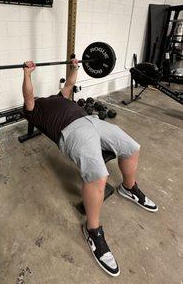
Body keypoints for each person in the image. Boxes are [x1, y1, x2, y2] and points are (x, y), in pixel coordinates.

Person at [22, 58, 158, 277]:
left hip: (92, 121)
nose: (37, 97)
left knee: (132, 147)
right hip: (72, 132)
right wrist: (27, 75)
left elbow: (68, 85)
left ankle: (128, 187)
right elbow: (28, 96)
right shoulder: (33, 108)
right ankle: (93, 230)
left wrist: (75, 67)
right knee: (97, 176)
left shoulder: (59, 98)